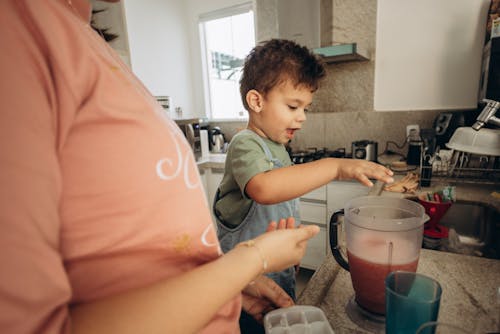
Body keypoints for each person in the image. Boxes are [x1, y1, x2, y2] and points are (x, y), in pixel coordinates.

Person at [0, 1, 321, 333]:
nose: (301, 116)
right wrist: (252, 259)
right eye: (294, 106)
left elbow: (140, 259)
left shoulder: (86, 38)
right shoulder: (19, 26)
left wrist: (228, 285)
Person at [213, 39, 395, 324]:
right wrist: (334, 167)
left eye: (306, 109)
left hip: (278, 268)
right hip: (244, 282)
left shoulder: (279, 148)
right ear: (256, 101)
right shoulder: (245, 144)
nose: (302, 118)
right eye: (293, 106)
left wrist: (292, 252)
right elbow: (265, 188)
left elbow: (284, 205)